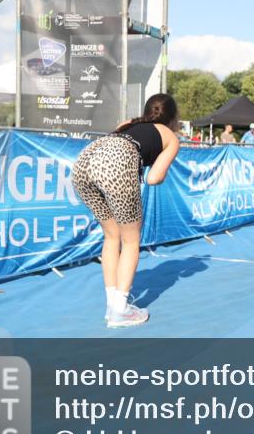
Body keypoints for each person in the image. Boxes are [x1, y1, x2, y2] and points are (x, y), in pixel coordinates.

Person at [71, 93, 181, 328]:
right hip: (117, 162)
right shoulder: (170, 136)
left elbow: (113, 146)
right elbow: (153, 178)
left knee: (111, 235)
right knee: (131, 241)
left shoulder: (128, 123)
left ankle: (112, 305)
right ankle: (120, 310)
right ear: (173, 118)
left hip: (84, 163)